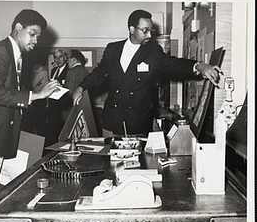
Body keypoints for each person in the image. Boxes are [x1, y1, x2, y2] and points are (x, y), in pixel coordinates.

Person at [0, 9, 59, 220]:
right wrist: (36, 95)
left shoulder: (16, 55)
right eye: (32, 33)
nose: (36, 40)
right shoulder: (0, 51)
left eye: (38, 36)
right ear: (18, 28)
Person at [73, 9, 222, 137]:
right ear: (132, 29)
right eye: (145, 30)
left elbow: (172, 63)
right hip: (111, 121)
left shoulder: (152, 52)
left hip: (136, 123)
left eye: (151, 30)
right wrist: (81, 87)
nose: (149, 35)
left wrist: (199, 66)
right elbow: (99, 72)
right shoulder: (113, 49)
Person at [46, 49, 69, 146]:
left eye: (60, 57)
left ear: (65, 58)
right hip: (52, 107)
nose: (58, 60)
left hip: (62, 108)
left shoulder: (69, 70)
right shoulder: (53, 70)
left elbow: (70, 90)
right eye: (55, 57)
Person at [62, 49, 89, 121]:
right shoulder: (86, 72)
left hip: (71, 110)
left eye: (68, 59)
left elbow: (69, 93)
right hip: (83, 108)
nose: (67, 62)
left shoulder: (71, 72)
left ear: (73, 60)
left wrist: (60, 89)